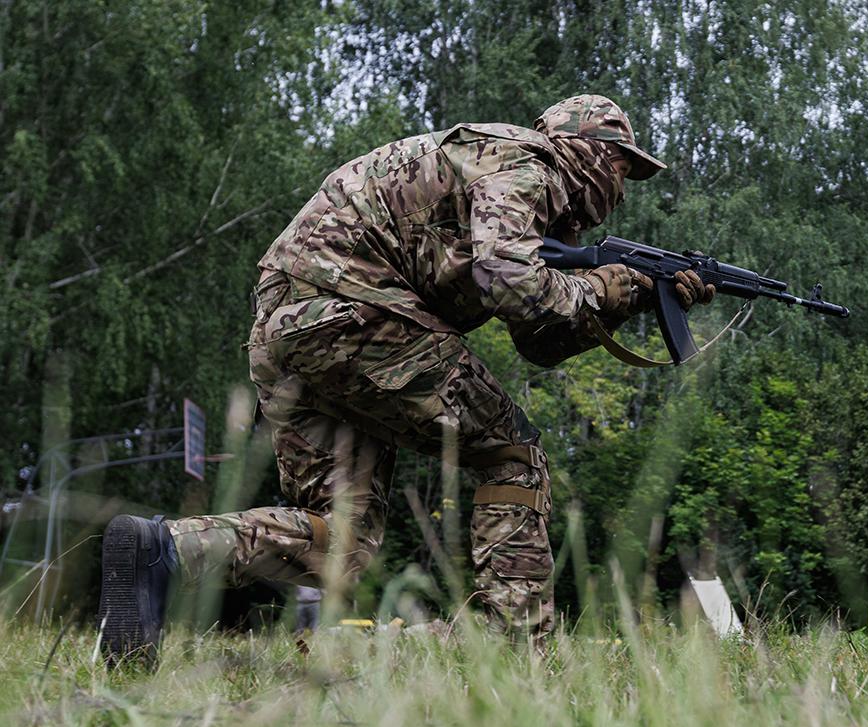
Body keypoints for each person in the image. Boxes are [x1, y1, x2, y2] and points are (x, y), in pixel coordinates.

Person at [98, 94, 714, 660]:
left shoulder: (513, 183)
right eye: (619, 165)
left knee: (342, 540)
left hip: (291, 323)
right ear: (582, 148)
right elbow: (509, 281)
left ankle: (164, 552)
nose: (622, 188)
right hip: (354, 311)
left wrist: (622, 300)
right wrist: (595, 290)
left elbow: (539, 343)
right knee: (513, 453)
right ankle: (516, 639)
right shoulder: (529, 164)